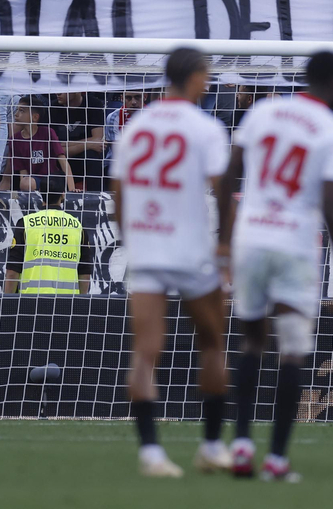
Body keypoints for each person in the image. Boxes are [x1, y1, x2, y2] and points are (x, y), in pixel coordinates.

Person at [219, 49, 333, 481]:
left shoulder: (264, 110)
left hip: (252, 238)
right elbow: (332, 207)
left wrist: (224, 240)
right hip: (294, 245)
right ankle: (276, 458)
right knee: (292, 352)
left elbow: (229, 177)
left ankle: (240, 444)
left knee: (251, 342)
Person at [111, 47, 233, 477]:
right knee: (213, 342)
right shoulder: (206, 128)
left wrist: (133, 236)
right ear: (196, 77)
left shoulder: (136, 127)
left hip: (147, 246)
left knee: (145, 352)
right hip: (191, 247)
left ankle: (150, 454)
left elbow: (118, 191)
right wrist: (226, 246)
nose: (209, 81)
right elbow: (223, 189)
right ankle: (213, 446)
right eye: (206, 74)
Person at [6, 172, 91, 294]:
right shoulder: (77, 226)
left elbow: (13, 271)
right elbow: (85, 273)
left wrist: (7, 304)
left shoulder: (26, 223)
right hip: (68, 305)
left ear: (40, 193)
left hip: (29, 303)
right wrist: (81, 304)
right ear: (63, 195)